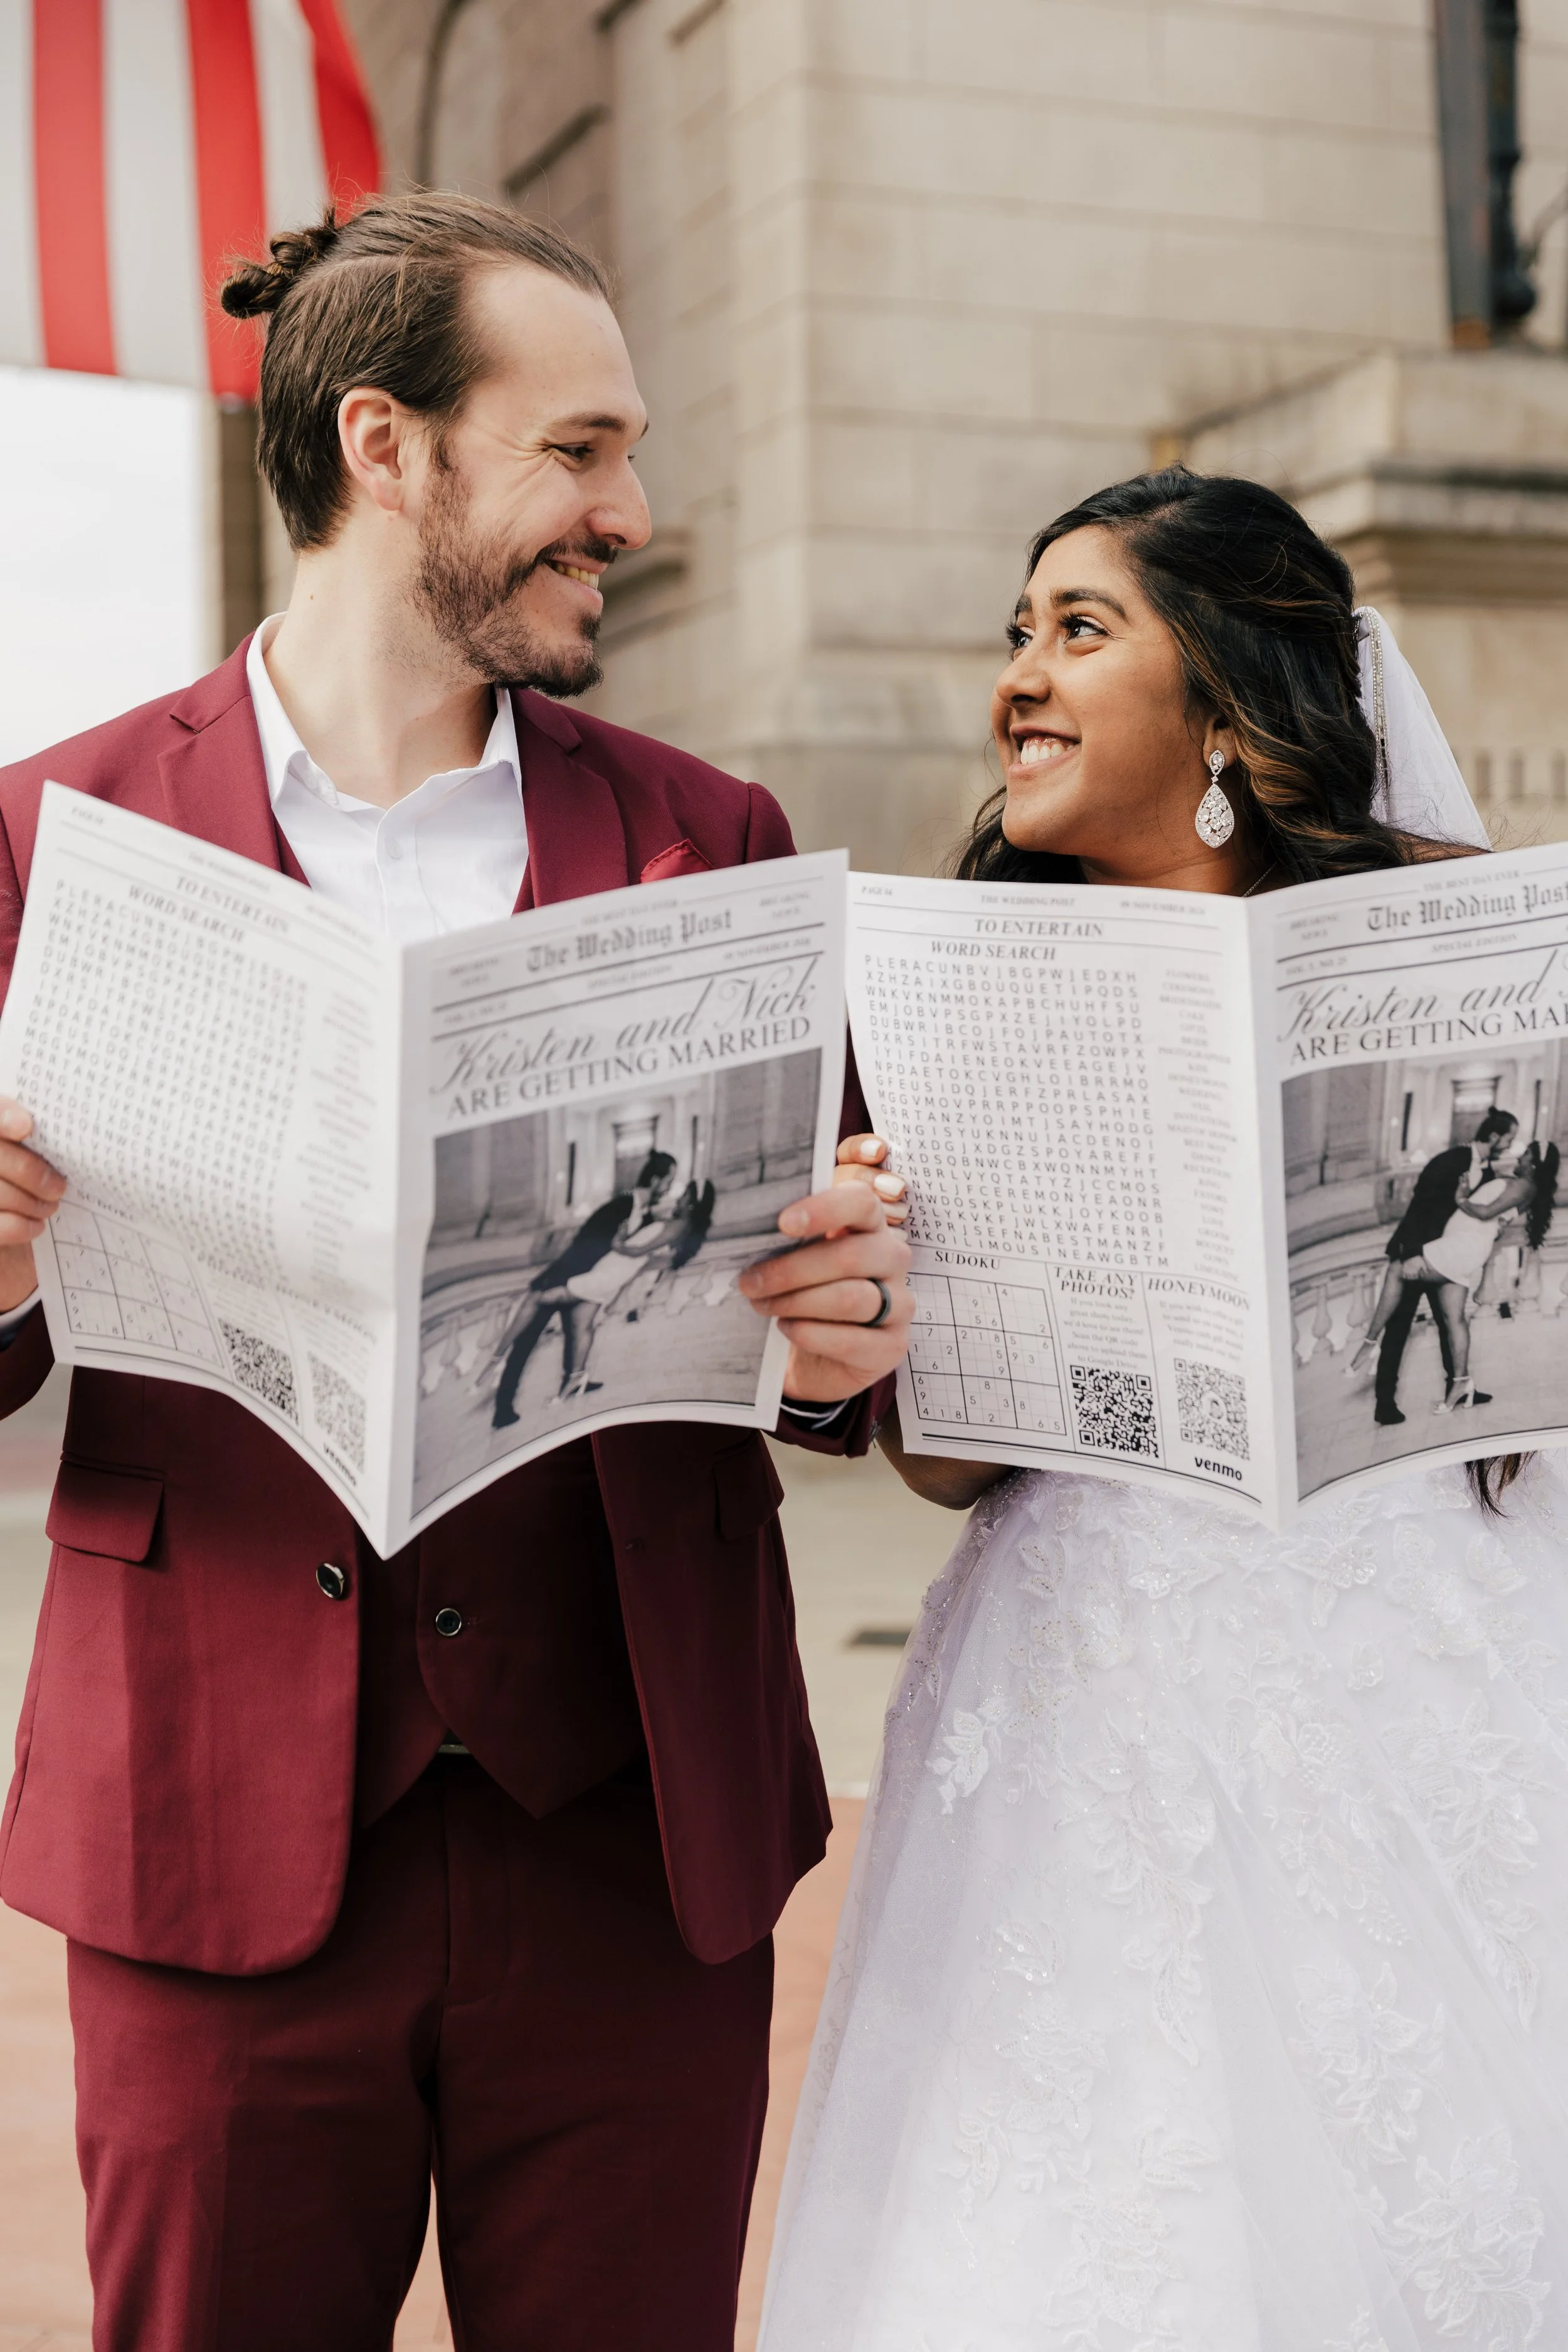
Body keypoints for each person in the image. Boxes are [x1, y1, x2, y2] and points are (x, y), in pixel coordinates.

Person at [0, 194, 911, 2352]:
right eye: (578, 450)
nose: (636, 509)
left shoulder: (718, 831)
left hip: (626, 1834)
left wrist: (838, 1340)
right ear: (384, 444)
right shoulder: (49, 835)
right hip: (212, 1821)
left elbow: (835, 1353)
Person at [761, 469, 1568, 2352]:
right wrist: (880, 1294)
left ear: (1220, 707)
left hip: (1410, 1652)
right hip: (1080, 1686)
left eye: (1075, 627)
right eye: (1012, 634)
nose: (1015, 679)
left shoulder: (1447, 956)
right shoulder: (952, 983)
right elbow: (949, 1461)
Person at [1353, 1136, 1560, 1416]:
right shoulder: (1464, 1167)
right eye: (1513, 1143)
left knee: (1411, 1285)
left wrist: (1464, 1200)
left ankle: (1372, 1343)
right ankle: (1437, 1390)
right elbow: (1427, 1204)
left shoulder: (1517, 1183)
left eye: (1523, 1153)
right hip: (1441, 1248)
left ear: (1534, 1164)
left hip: (1452, 1251)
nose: (1516, 1154)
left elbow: (1486, 1211)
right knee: (1446, 1320)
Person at [490, 1149, 677, 1421]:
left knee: (574, 1331)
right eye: (669, 1180)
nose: (670, 1187)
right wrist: (567, 1284)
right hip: (563, 1277)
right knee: (527, 1340)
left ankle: (575, 1379)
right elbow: (584, 1243)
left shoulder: (645, 1216)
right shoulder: (620, 1205)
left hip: (583, 1281)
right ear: (657, 1180)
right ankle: (503, 1407)